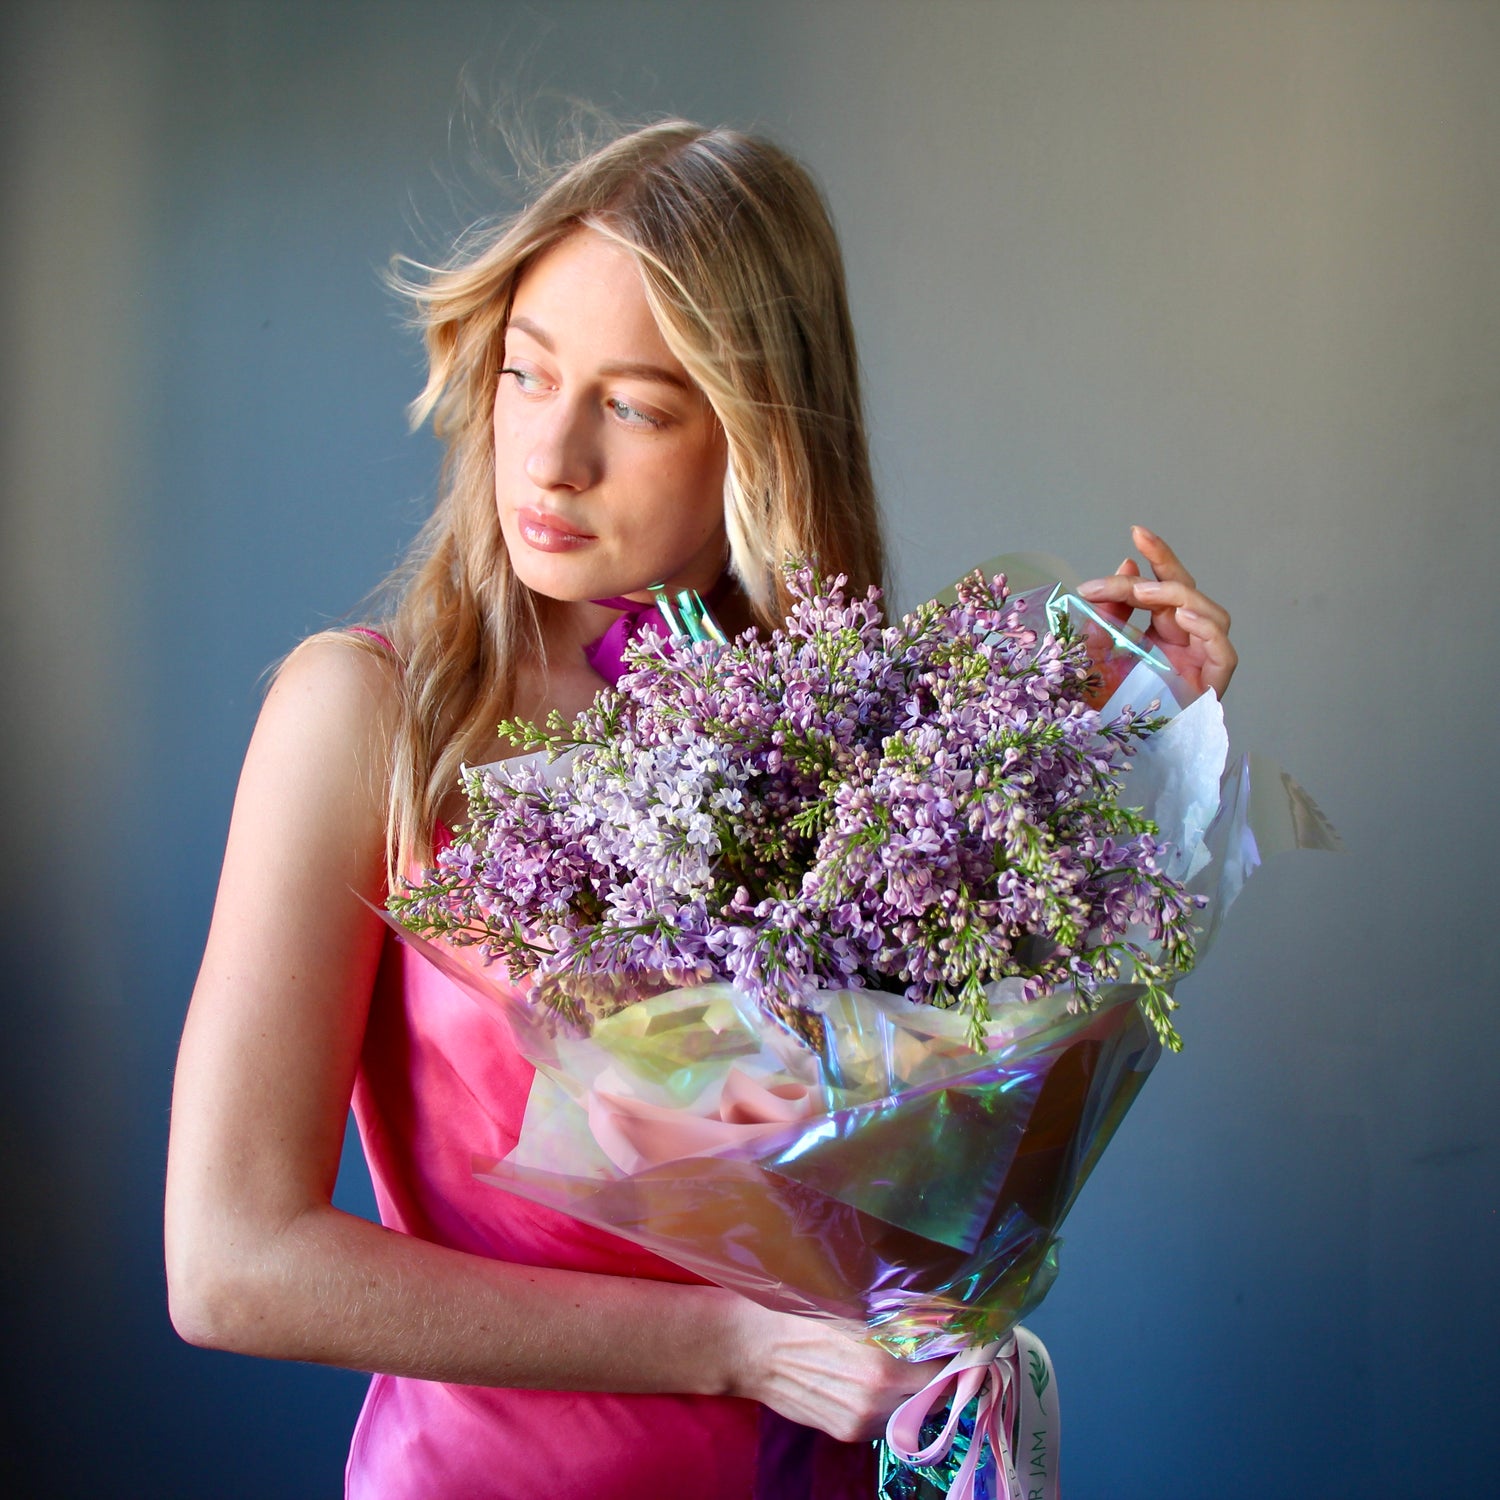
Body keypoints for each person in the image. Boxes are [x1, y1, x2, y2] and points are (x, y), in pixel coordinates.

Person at [164, 121, 1237, 1499]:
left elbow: (925, 1176)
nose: (551, 456)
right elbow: (231, 1265)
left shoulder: (862, 744)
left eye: (634, 406)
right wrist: (732, 1348)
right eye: (527, 370)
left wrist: (1110, 735)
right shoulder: (371, 718)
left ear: (761, 435)